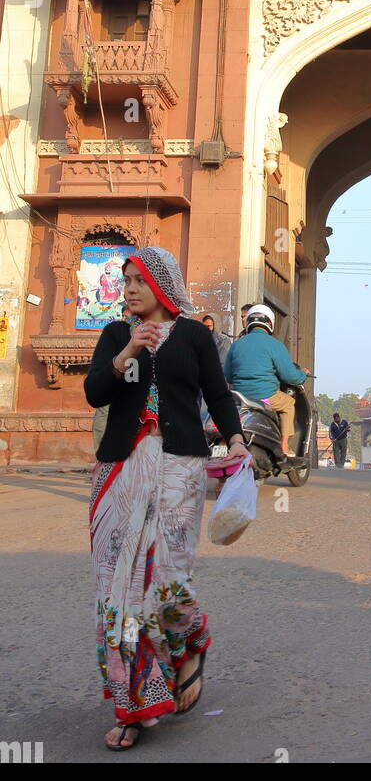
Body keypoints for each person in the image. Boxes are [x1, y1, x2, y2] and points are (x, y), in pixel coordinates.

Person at [84, 246, 251, 752]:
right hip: (120, 472)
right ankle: (133, 704)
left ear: (162, 285)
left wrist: (236, 437)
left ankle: (191, 641)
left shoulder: (197, 337)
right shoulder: (116, 335)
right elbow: (95, 393)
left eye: (139, 280)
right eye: (125, 279)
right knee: (118, 589)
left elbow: (218, 394)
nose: (129, 288)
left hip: (180, 470)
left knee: (168, 584)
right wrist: (128, 351)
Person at [222, 305, 308, 457]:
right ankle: (284, 446)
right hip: (265, 396)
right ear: (270, 323)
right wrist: (302, 375)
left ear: (248, 321)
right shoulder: (275, 345)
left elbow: (228, 376)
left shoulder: (236, 345)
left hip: (238, 398)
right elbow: (289, 376)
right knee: (288, 403)